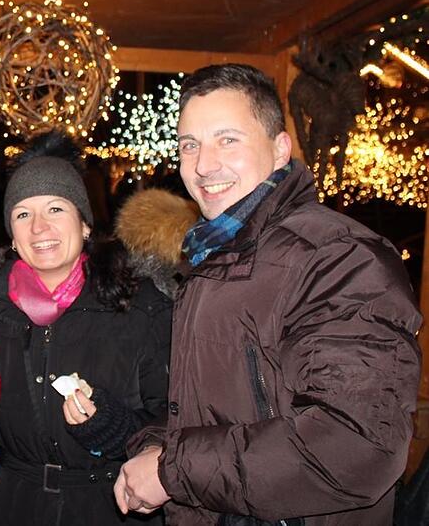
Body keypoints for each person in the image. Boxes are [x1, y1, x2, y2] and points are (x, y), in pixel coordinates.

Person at [113, 63, 422, 525]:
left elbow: (356, 446)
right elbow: (223, 410)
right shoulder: (212, 257)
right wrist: (157, 445)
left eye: (227, 139)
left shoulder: (339, 258)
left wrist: (171, 469)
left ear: (280, 149)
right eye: (189, 145)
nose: (202, 165)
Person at [0, 132, 172, 525]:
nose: (39, 227)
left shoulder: (139, 308)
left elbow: (176, 422)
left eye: (56, 209)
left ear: (85, 223)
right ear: (12, 234)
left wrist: (106, 426)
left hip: (110, 508)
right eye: (23, 214)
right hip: (15, 507)